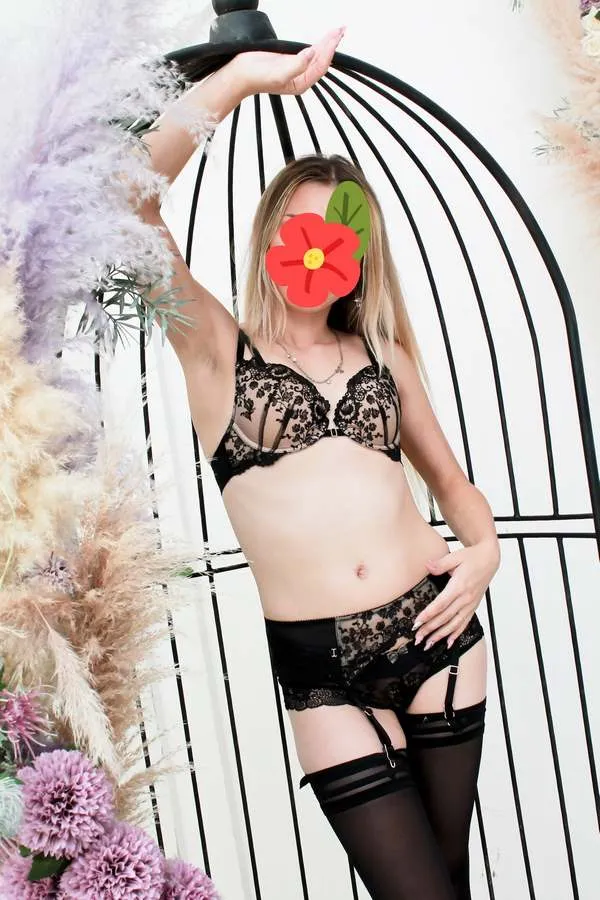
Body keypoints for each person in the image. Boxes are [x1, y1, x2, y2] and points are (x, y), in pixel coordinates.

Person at [137, 27, 500, 900]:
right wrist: (240, 79)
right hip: (320, 671)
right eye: (304, 224)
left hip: (437, 635)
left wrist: (485, 550)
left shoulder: (384, 357)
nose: (321, 243)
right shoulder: (217, 351)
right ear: (274, 231)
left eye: (342, 228)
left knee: (445, 884)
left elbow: (453, 486)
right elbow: (126, 207)